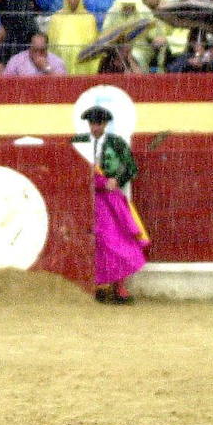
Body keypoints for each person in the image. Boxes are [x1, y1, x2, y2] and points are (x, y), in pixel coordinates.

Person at [72, 105, 148, 304]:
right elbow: (68, 167)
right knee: (92, 242)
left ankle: (119, 287)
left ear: (105, 124)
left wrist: (117, 179)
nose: (95, 127)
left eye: (99, 124)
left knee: (114, 241)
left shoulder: (116, 143)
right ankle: (95, 287)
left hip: (109, 199)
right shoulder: (78, 142)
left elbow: (131, 167)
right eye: (92, 124)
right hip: (84, 199)